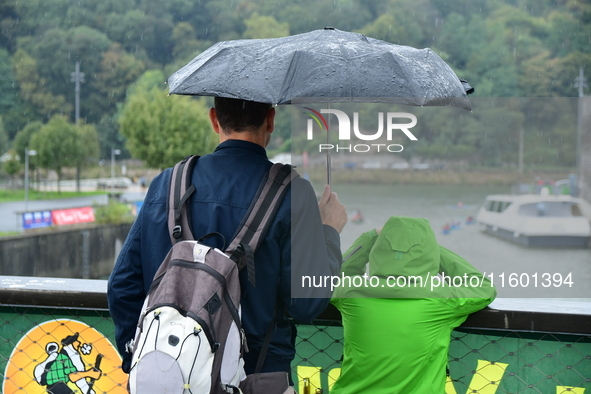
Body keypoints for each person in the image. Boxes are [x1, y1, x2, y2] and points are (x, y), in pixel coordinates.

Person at [107, 97, 347, 382]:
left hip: (170, 376)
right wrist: (328, 233)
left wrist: (137, 355)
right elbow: (306, 303)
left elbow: (122, 286)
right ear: (270, 119)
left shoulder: (167, 184)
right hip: (257, 378)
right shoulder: (293, 193)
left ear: (213, 119)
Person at [330, 216, 496, 394]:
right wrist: (429, 249)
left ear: (379, 250)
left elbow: (330, 276)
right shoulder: (440, 299)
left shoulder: (351, 292)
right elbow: (483, 287)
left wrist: (370, 237)